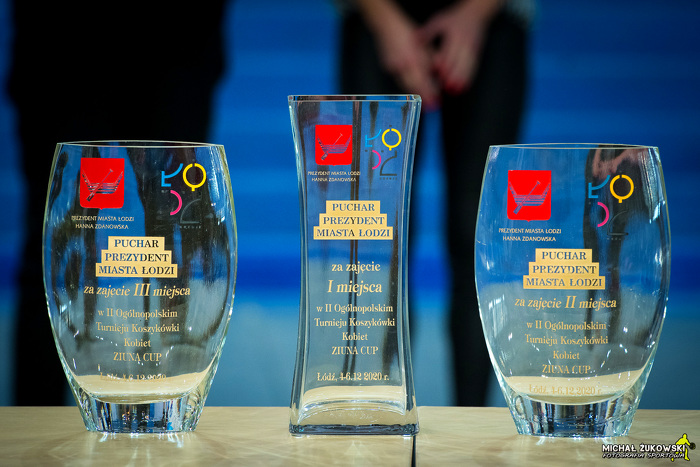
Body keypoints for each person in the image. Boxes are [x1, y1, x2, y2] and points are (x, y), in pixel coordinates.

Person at [7, 1, 228, 405]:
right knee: (58, 240)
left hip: (177, 37)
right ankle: (34, 424)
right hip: (61, 43)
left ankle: (170, 407)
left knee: (175, 237)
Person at [338, 0, 532, 406]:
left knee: (477, 233)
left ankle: (473, 419)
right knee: (377, 234)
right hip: (375, 24)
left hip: (493, 25)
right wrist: (383, 18)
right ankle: (378, 410)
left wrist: (476, 13)